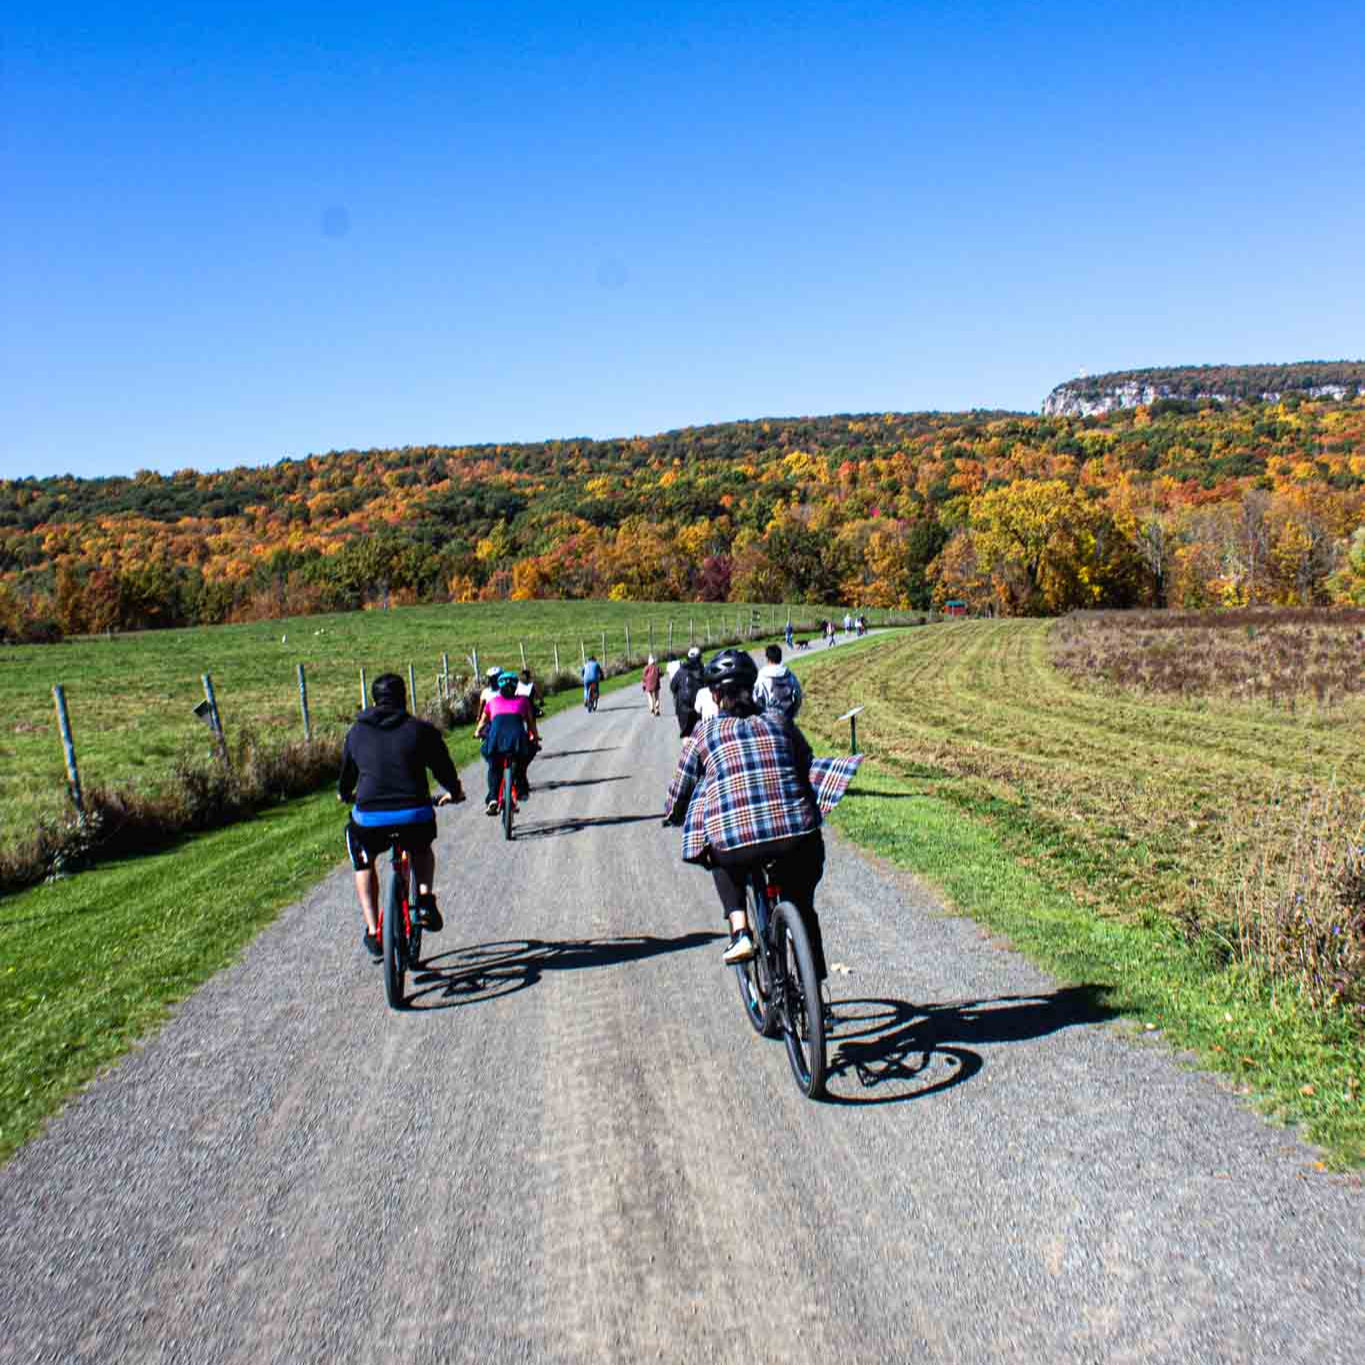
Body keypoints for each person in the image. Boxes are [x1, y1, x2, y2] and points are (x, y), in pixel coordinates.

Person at [662, 648, 859, 971]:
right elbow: (804, 760)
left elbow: (681, 788)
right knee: (801, 903)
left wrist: (673, 812)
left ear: (714, 694)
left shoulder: (705, 733)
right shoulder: (779, 720)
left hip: (737, 844)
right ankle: (815, 987)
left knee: (715, 852)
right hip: (798, 836)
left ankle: (740, 931)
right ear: (752, 687)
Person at [339, 672, 465, 959]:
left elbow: (347, 774)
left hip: (370, 819)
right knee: (421, 847)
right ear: (404, 698)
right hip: (414, 814)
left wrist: (345, 793)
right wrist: (455, 791)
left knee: (363, 860)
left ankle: (373, 930)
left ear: (373, 700)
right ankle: (424, 900)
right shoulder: (420, 729)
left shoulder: (356, 732)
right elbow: (443, 768)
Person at [478, 668, 539, 814]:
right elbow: (531, 723)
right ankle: (521, 788)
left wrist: (477, 732)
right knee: (524, 759)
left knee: (493, 765)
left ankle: (493, 798)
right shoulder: (523, 701)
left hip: (495, 742)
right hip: (518, 741)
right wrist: (535, 737)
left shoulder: (492, 702)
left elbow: (482, 722)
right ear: (516, 686)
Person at [754, 643, 803, 720]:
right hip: (787, 719)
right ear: (780, 657)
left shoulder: (762, 677)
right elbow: (798, 696)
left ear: (767, 659)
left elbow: (756, 700)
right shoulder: (790, 675)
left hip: (768, 721)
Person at [669, 645, 705, 738]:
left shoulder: (681, 670)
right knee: (701, 733)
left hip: (683, 707)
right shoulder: (703, 670)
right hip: (699, 707)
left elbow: (673, 686)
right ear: (700, 658)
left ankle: (688, 750)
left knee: (686, 734)